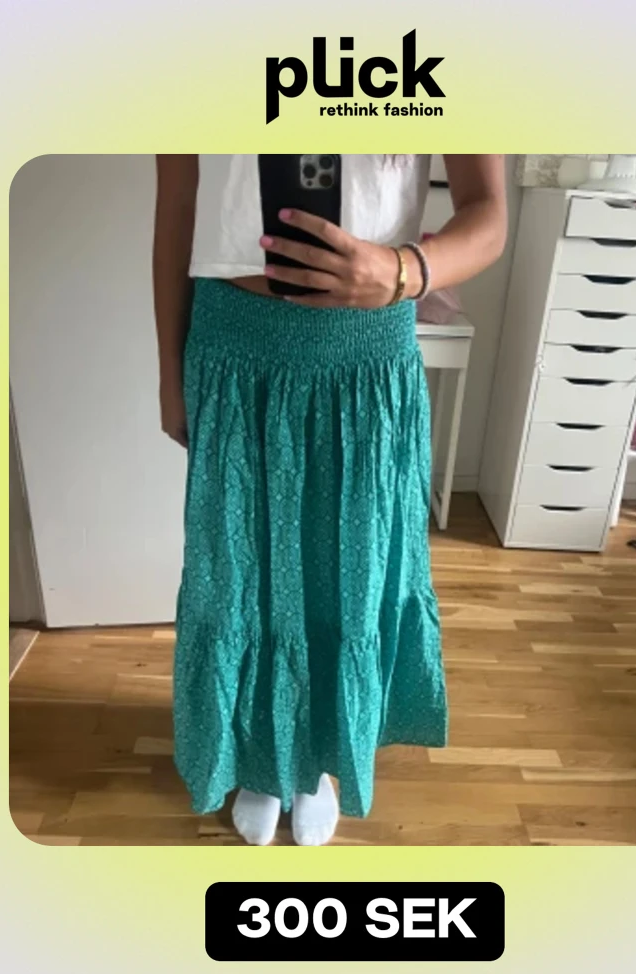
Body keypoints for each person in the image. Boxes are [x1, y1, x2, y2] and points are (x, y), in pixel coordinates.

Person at [152, 154, 506, 845]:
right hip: (234, 345)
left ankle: (317, 765)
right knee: (239, 578)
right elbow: (177, 202)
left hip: (364, 354)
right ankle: (260, 757)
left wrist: (404, 271)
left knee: (348, 580)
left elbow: (488, 218)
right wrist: (170, 369)